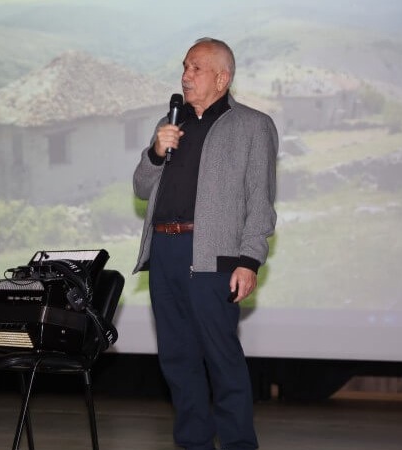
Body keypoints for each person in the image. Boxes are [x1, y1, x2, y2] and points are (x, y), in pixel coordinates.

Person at [132, 37, 278, 450]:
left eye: (196, 68)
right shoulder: (170, 124)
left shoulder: (252, 125)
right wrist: (155, 152)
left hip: (214, 256)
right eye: (184, 66)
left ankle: (237, 444)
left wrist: (250, 259)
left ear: (221, 78)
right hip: (165, 252)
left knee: (221, 359)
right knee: (177, 360)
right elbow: (141, 187)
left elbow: (260, 199)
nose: (186, 75)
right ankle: (193, 442)